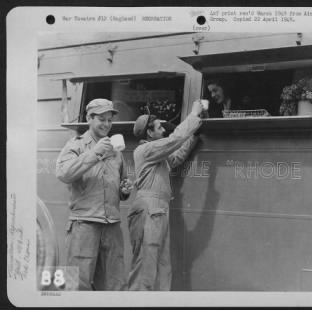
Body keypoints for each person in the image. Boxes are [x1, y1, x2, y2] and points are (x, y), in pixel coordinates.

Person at [56, 98, 133, 291]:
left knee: (115, 284)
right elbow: (63, 173)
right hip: (84, 224)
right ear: (89, 118)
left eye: (109, 120)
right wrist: (95, 153)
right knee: (76, 285)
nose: (107, 124)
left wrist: (124, 190)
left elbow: (121, 182)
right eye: (101, 119)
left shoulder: (117, 151)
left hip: (112, 225)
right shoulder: (76, 145)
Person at [128, 100, 204, 291]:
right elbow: (174, 140)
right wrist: (194, 115)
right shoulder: (146, 149)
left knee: (163, 267)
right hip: (150, 210)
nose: (163, 130)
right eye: (159, 127)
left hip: (158, 211)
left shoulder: (157, 154)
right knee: (145, 267)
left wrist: (193, 137)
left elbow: (176, 157)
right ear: (149, 133)